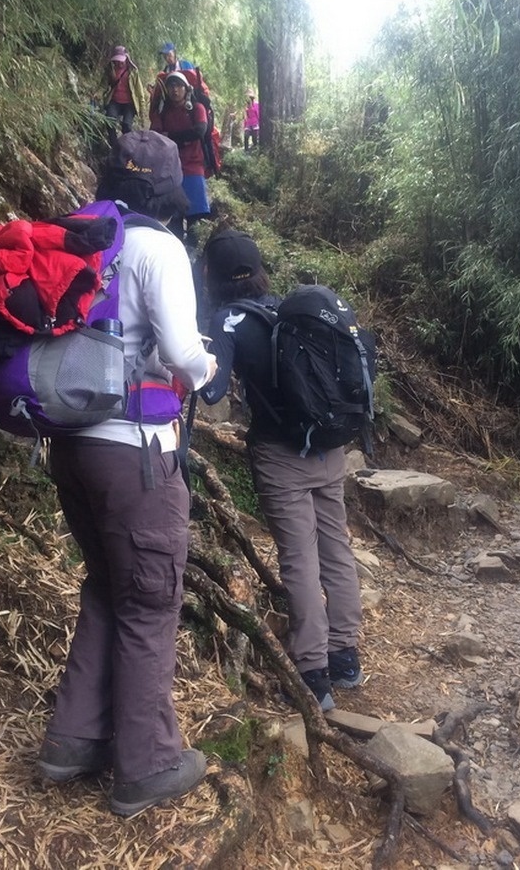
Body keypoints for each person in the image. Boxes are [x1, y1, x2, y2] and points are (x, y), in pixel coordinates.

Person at [37, 130, 218, 816]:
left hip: (71, 447)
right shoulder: (157, 246)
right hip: (135, 454)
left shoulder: (75, 234)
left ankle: (72, 742)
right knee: (149, 601)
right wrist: (207, 369)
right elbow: (177, 349)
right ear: (166, 196)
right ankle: (147, 764)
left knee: (108, 588)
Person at [198, 229, 364, 711]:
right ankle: (345, 658)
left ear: (212, 276)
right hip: (328, 449)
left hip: (279, 456)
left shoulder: (227, 319)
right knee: (336, 546)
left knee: (299, 557)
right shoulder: (288, 312)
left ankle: (312, 673)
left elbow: (210, 393)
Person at [149, 71, 210, 246]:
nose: (175, 90)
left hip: (194, 166)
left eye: (179, 86)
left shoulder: (197, 108)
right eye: (171, 86)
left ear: (186, 88)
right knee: (173, 216)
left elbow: (200, 130)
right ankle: (176, 251)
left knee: (195, 217)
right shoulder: (163, 111)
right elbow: (156, 134)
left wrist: (171, 136)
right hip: (170, 169)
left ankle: (193, 255)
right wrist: (180, 137)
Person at [101, 46, 145, 146]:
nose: (119, 63)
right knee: (109, 121)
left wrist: (142, 111)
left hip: (129, 103)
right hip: (114, 101)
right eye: (117, 61)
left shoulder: (133, 72)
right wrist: (97, 94)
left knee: (126, 125)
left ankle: (128, 148)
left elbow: (140, 92)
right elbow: (103, 85)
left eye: (121, 61)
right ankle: (114, 146)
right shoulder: (110, 70)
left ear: (126, 58)